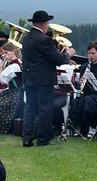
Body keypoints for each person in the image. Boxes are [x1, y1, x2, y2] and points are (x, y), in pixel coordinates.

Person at [21, 10, 75, 147]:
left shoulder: (26, 38)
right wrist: (68, 54)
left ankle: (27, 138)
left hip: (29, 79)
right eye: (47, 23)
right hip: (43, 80)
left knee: (30, 108)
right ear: (43, 23)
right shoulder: (44, 39)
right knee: (45, 109)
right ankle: (43, 138)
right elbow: (58, 59)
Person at [71, 41, 97, 137]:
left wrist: (94, 81)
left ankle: (90, 128)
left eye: (93, 53)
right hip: (86, 93)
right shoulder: (84, 67)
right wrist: (80, 82)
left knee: (88, 101)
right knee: (76, 101)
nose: (90, 56)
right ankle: (78, 127)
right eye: (89, 53)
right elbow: (80, 87)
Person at [0, 42, 24, 134]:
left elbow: (4, 81)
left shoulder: (14, 65)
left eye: (6, 53)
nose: (4, 55)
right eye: (3, 53)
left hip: (15, 93)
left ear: (13, 52)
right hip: (12, 92)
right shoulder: (13, 64)